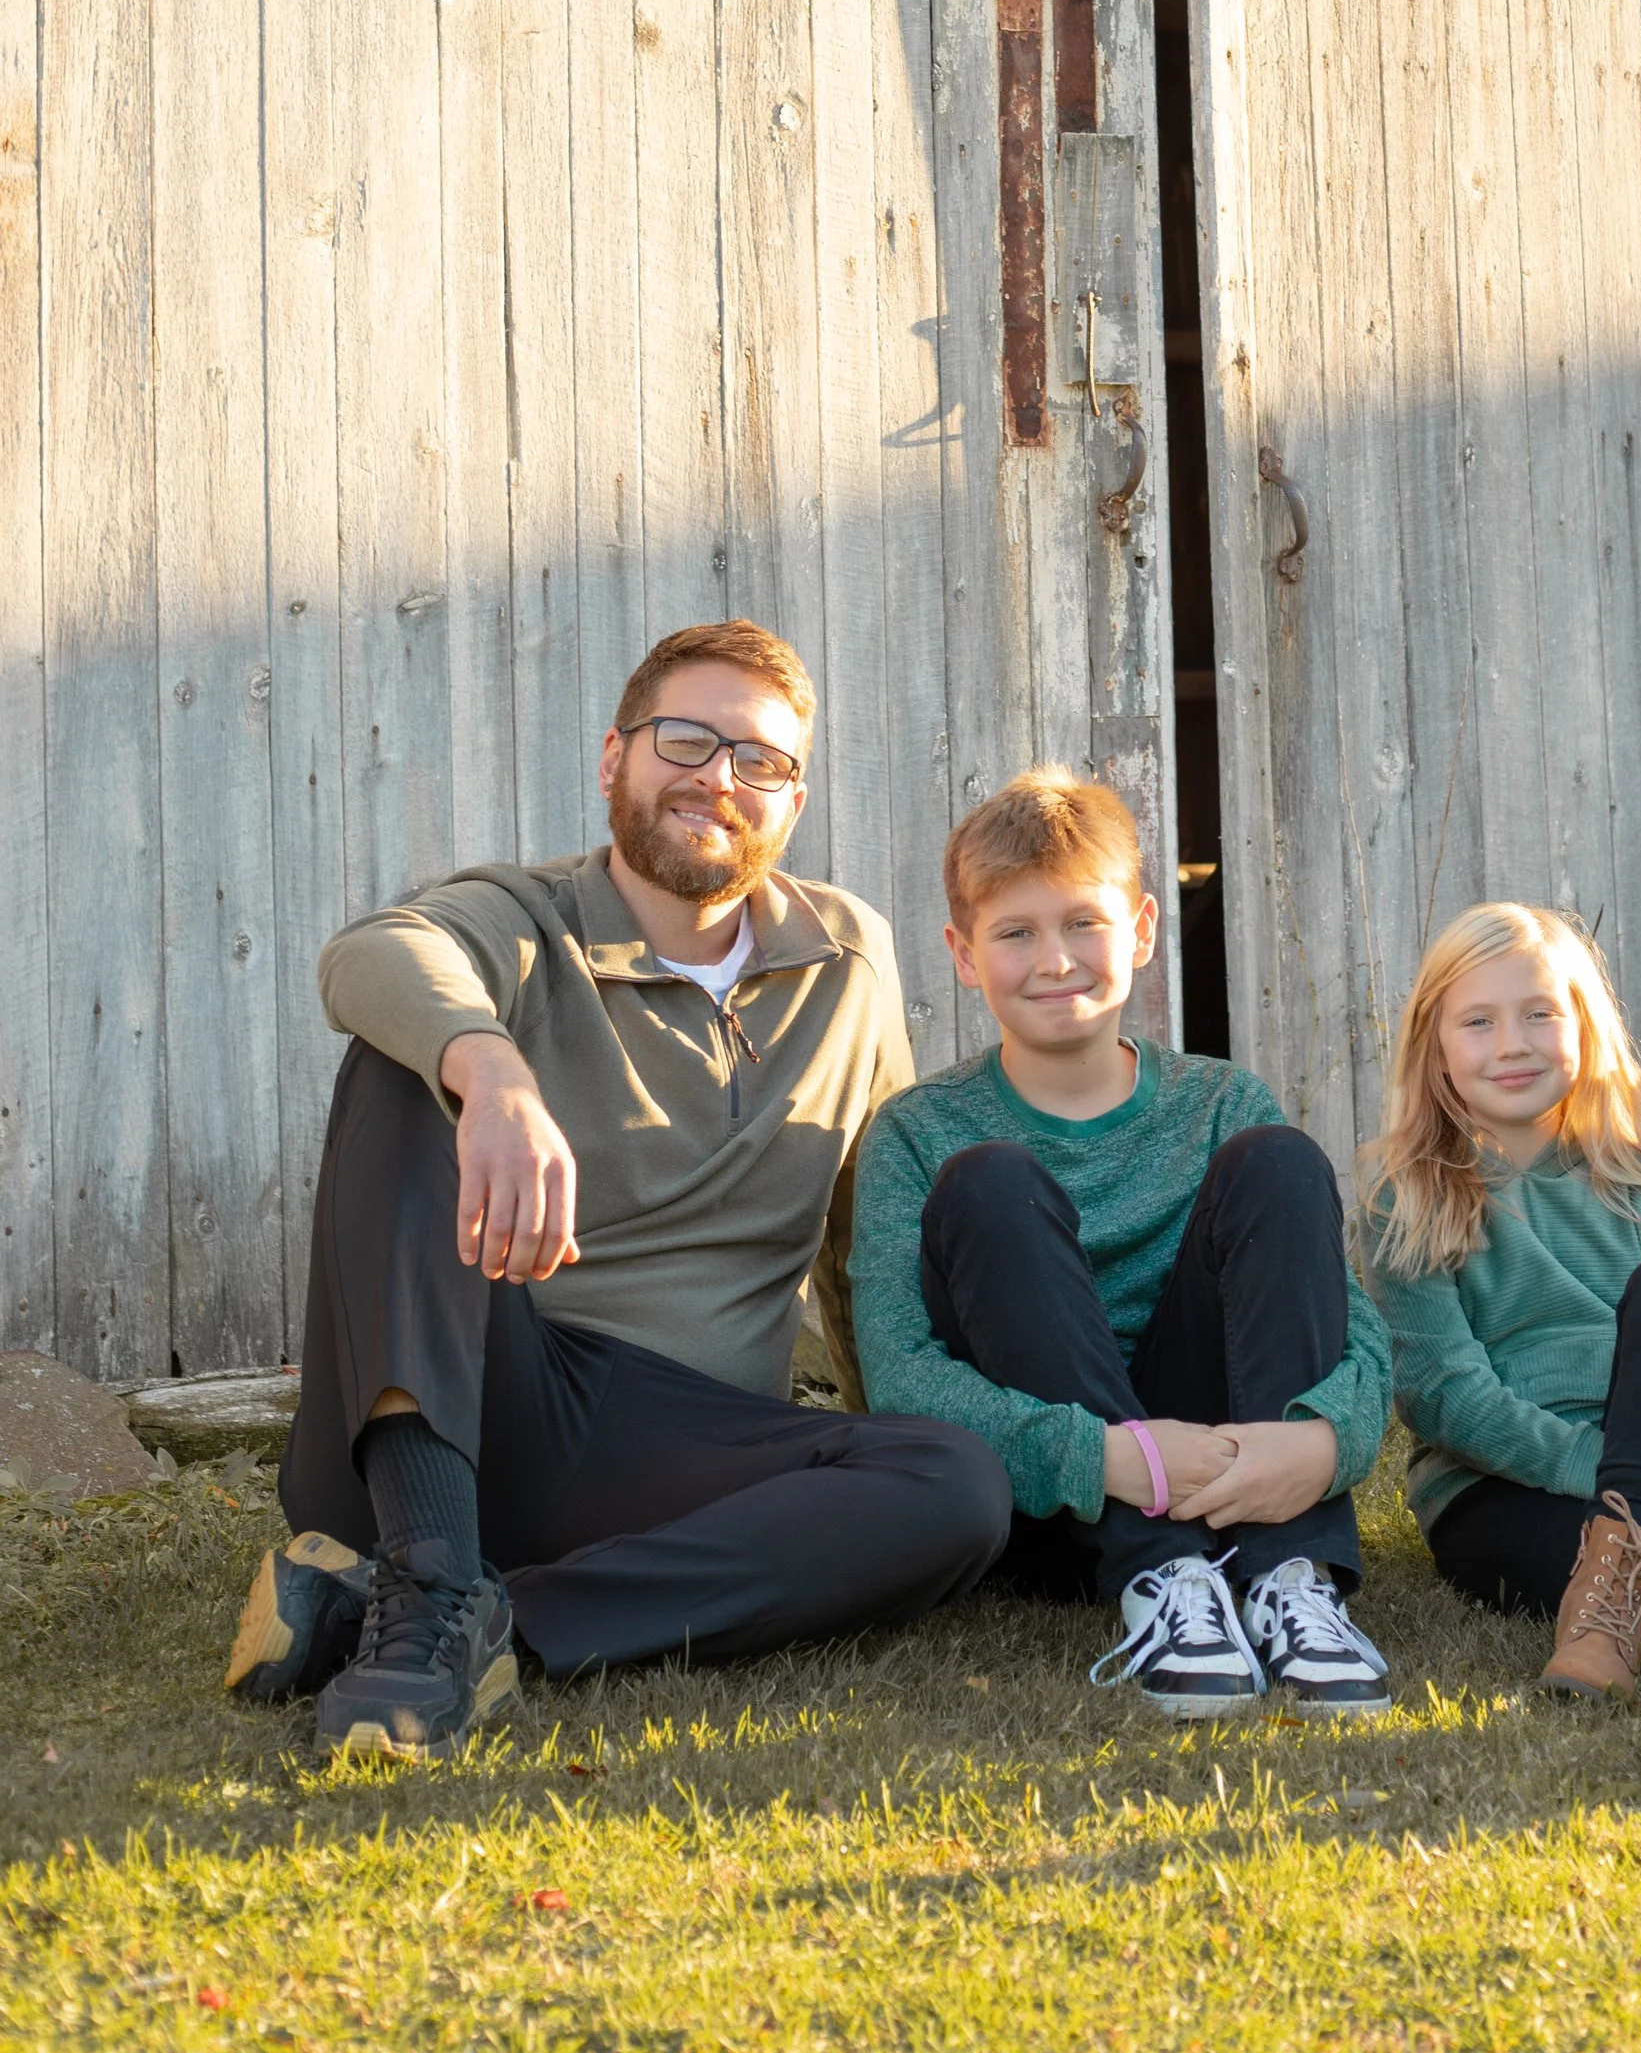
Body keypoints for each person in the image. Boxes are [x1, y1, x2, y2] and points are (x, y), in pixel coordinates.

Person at [224, 620, 1011, 1758]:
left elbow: (862, 1224)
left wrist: (870, 1434)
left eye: (760, 761)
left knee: (954, 1483)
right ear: (614, 759)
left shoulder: (848, 957)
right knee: (399, 1070)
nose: (717, 780)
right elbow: (373, 953)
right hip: (476, 1402)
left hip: (677, 1452)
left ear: (793, 799)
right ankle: (434, 1569)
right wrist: (487, 1068)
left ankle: (469, 1621)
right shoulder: (526, 917)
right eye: (684, 741)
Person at [846, 770, 1394, 1720]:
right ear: (965, 955)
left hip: (1235, 1473)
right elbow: (900, 1371)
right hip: (1060, 1493)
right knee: (991, 1181)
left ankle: (1283, 1579)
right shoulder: (916, 1132)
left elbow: (1356, 1329)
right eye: (1015, 932)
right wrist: (1109, 1457)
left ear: (1141, 930)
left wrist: (1325, 1439)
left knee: (1280, 1163)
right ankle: (1165, 1584)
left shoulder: (1220, 1102)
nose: (1054, 960)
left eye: (1083, 924)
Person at [1358, 904, 1641, 1716]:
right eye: (1479, 1022)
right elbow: (1446, 1395)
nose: (1513, 1043)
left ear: (1585, 1030)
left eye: (1539, 1014)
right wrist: (1637, 1495)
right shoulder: (1410, 1203)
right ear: (1436, 1051)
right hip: (1494, 1499)